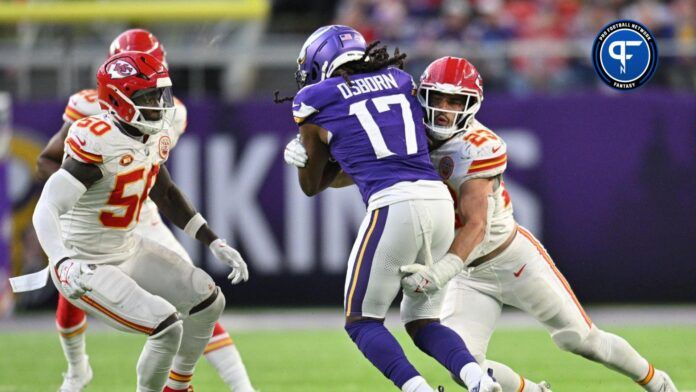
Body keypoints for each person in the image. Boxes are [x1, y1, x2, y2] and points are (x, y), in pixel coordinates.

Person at [420, 56, 678, 392]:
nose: (444, 108)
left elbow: (476, 226)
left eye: (455, 100)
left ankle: (658, 382)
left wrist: (439, 271)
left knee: (583, 340)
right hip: (469, 276)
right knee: (462, 365)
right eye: (437, 97)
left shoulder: (478, 146)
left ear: (472, 105)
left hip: (511, 258)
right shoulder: (407, 134)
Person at [282, 25, 500, 392]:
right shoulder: (398, 80)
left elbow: (311, 186)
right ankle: (478, 379)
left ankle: (418, 390)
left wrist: (302, 155)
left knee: (361, 321)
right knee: (424, 321)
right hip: (438, 202)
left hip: (392, 206)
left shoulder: (316, 99)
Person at [36, 29, 255, 392]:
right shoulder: (93, 136)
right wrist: (61, 258)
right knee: (166, 325)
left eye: (161, 92)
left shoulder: (156, 128)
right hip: (90, 253)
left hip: (132, 228)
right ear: (120, 99)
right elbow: (47, 202)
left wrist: (212, 239)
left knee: (207, 299)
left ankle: (181, 385)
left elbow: (164, 190)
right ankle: (77, 372)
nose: (161, 103)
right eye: (149, 95)